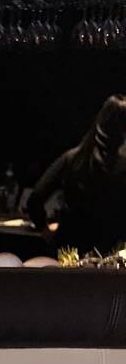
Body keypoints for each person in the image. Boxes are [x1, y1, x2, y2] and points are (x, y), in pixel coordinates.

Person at [25, 94, 126, 257]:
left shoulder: (73, 158)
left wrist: (44, 229)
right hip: (111, 254)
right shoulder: (122, 165)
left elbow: (35, 199)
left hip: (68, 250)